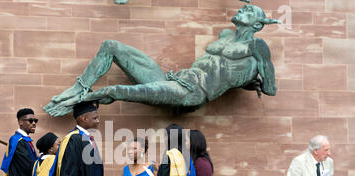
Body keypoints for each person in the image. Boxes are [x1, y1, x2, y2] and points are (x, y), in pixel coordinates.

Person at [44, 3, 279, 117]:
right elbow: (225, 70)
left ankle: (75, 102)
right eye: (244, 7)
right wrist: (243, 80)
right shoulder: (226, 35)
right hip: (175, 79)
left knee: (118, 90)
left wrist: (250, 80)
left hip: (192, 93)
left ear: (258, 25)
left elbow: (270, 89)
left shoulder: (257, 46)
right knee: (111, 46)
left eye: (249, 11)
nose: (242, 10)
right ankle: (79, 87)